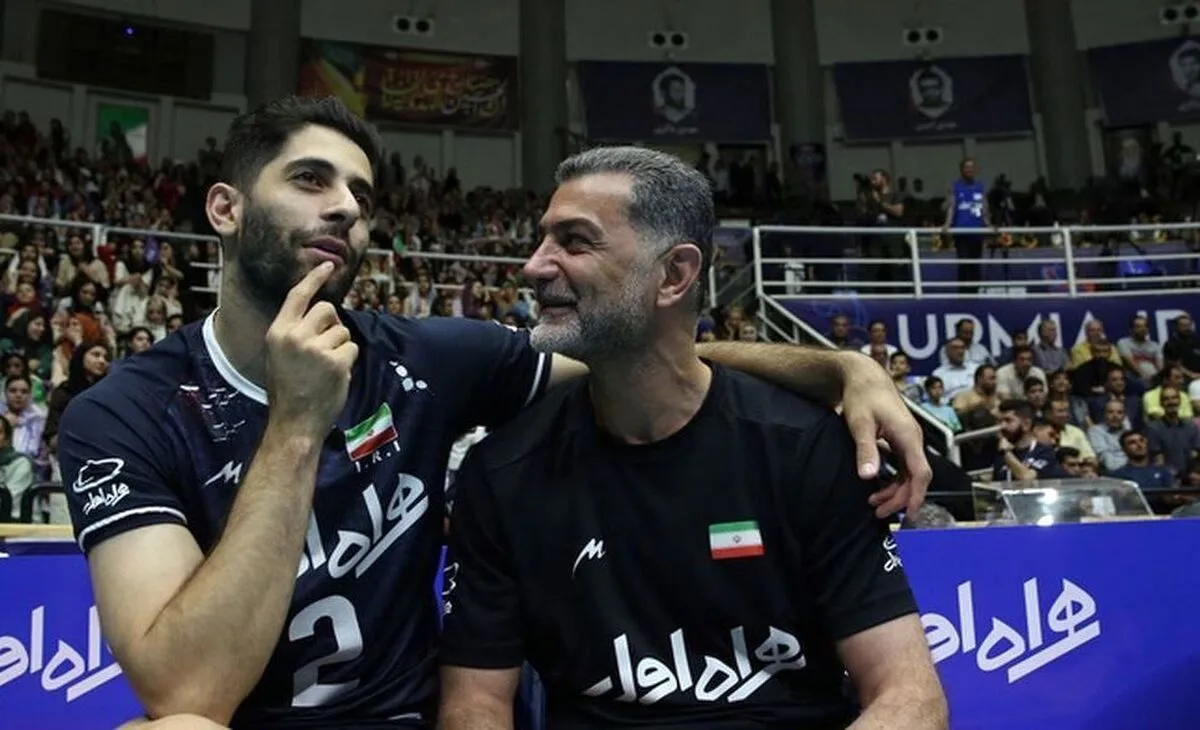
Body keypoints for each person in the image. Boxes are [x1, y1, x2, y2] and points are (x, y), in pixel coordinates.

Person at [58, 98, 931, 729]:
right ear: (225, 208)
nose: (347, 208)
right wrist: (296, 423)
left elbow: (638, 350)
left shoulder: (426, 359)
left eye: (361, 194)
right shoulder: (122, 415)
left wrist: (841, 368)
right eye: (311, 180)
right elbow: (187, 693)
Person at [438, 147, 947, 729]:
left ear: (674, 275)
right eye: (542, 239)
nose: (534, 266)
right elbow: (474, 705)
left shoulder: (805, 449)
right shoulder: (502, 473)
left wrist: (853, 367)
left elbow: (911, 698)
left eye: (574, 242)